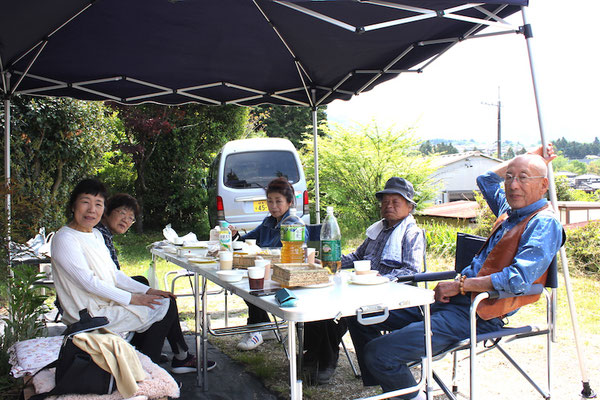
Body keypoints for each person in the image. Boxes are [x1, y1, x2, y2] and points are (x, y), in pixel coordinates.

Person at [347, 145, 563, 400]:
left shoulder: (543, 222)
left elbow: (517, 280)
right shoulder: (509, 213)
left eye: (523, 178)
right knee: (360, 314)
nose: (513, 185)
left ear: (543, 185)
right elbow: (486, 179)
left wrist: (461, 286)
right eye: (510, 177)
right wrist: (533, 154)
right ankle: (391, 383)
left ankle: (407, 389)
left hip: (478, 313)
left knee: (378, 353)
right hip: (452, 302)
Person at [51, 179, 215, 373]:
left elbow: (115, 274)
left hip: (106, 306)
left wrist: (148, 290)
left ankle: (144, 364)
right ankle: (147, 369)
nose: (91, 210)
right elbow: (89, 282)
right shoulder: (65, 238)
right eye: (85, 202)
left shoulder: (95, 234)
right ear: (73, 205)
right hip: (89, 316)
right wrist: (133, 298)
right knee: (162, 306)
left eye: (98, 204)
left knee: (162, 300)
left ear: (103, 209)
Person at [304, 177, 425, 385]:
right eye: (385, 201)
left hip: (398, 300)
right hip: (364, 292)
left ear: (410, 206)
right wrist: (328, 261)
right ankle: (318, 358)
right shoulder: (377, 230)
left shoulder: (411, 233)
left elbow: (411, 271)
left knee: (357, 315)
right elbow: (357, 257)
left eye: (396, 202)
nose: (389, 206)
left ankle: (376, 375)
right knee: (322, 303)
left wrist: (379, 280)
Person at [232, 177, 307, 350]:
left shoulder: (294, 224)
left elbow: (295, 254)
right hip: (266, 272)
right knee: (247, 281)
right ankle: (262, 326)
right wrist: (234, 235)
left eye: (278, 201)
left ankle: (258, 328)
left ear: (289, 202)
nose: (273, 206)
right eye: (269, 201)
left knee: (251, 284)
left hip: (285, 275)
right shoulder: (268, 222)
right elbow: (246, 240)